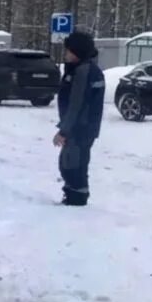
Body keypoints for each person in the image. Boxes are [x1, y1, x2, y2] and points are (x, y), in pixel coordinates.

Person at [55, 30, 106, 206]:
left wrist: (64, 131)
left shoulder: (83, 71)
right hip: (84, 127)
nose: (66, 54)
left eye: (69, 50)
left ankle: (76, 198)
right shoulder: (85, 69)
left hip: (79, 128)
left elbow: (76, 104)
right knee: (73, 162)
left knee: (72, 164)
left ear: (78, 51)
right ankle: (72, 193)